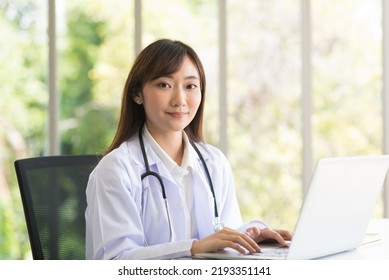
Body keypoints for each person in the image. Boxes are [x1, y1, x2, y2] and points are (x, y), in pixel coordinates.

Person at [85, 39, 292, 260]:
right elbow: (116, 261)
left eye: (190, 86)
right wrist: (192, 248)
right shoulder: (116, 170)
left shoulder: (214, 162)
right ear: (137, 94)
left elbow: (222, 236)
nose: (180, 100)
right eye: (164, 85)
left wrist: (251, 234)